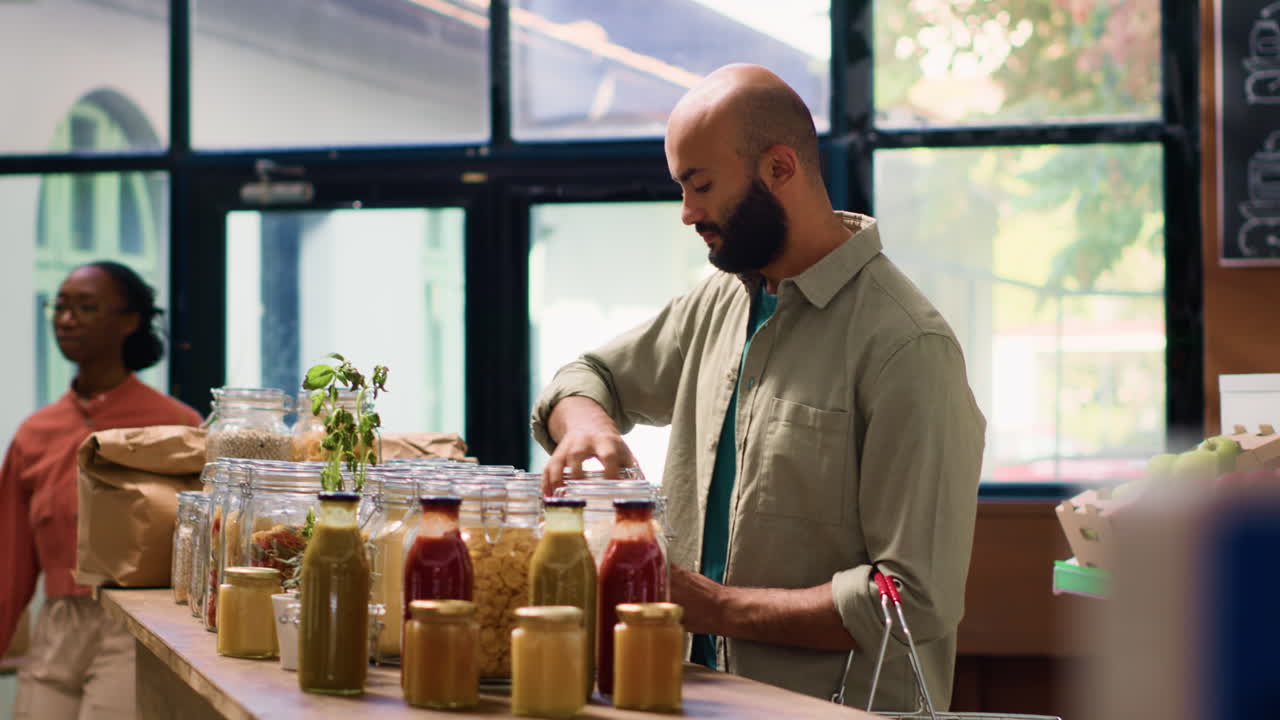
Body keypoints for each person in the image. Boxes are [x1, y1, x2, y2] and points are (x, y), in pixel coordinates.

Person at [531, 64, 985, 711]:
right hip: (685, 696)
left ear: (779, 169)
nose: (688, 213)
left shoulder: (909, 347)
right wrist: (588, 427)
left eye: (702, 185)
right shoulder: (717, 302)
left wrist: (712, 607)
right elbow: (586, 378)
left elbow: (912, 599)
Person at [0, 262, 203, 719]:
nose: (66, 319)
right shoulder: (34, 433)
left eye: (86, 308)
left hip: (138, 625)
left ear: (128, 321)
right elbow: (9, 561)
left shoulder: (179, 425)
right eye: (61, 307)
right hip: (56, 623)